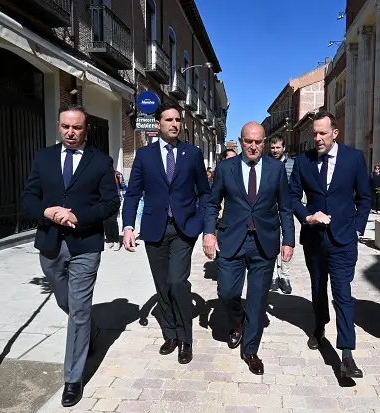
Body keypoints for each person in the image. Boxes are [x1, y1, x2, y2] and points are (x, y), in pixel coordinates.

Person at [22, 105, 120, 407]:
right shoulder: (44, 157)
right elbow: (28, 197)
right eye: (66, 126)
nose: (71, 132)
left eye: (77, 127)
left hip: (85, 244)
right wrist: (46, 211)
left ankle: (73, 379)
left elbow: (110, 203)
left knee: (78, 310)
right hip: (50, 243)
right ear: (59, 126)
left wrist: (78, 216)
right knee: (65, 301)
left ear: (86, 128)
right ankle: (92, 328)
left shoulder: (100, 161)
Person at [202, 122, 295, 375]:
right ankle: (238, 320)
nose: (253, 146)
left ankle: (250, 350)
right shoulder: (225, 168)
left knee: (257, 299)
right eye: (248, 141)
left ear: (264, 143)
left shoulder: (276, 169)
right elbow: (212, 204)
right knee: (226, 291)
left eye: (258, 142)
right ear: (241, 141)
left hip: (264, 242)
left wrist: (288, 240)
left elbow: (285, 208)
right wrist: (209, 233)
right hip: (232, 240)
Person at [121, 103, 210, 364]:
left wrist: (201, 223)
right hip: (154, 228)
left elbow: (205, 192)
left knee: (177, 283)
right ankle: (170, 333)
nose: (174, 124)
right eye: (169, 120)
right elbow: (133, 194)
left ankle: (185, 338)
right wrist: (128, 227)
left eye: (178, 120)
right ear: (158, 124)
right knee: (162, 285)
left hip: (184, 229)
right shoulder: (144, 155)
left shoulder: (192, 154)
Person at [289, 110, 371, 379]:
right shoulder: (303, 161)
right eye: (314, 133)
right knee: (317, 288)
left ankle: (346, 354)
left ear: (335, 133)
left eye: (322, 133)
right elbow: (292, 197)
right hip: (314, 239)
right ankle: (319, 325)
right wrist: (307, 217)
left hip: (343, 239)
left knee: (343, 293)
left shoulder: (354, 158)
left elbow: (364, 198)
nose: (317, 138)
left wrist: (357, 228)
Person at [268, 133, 295, 294]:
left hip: (286, 210)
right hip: (269, 210)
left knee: (287, 242)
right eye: (272, 147)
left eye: (278, 147)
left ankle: (284, 276)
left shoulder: (292, 165)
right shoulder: (266, 164)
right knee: (271, 242)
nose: (275, 150)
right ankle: (272, 276)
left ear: (283, 148)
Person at [103, 163, 125, 251]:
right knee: (105, 221)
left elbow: (123, 186)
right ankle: (109, 240)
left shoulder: (117, 174)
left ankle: (116, 240)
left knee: (112, 220)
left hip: (115, 200)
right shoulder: (101, 174)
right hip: (103, 200)